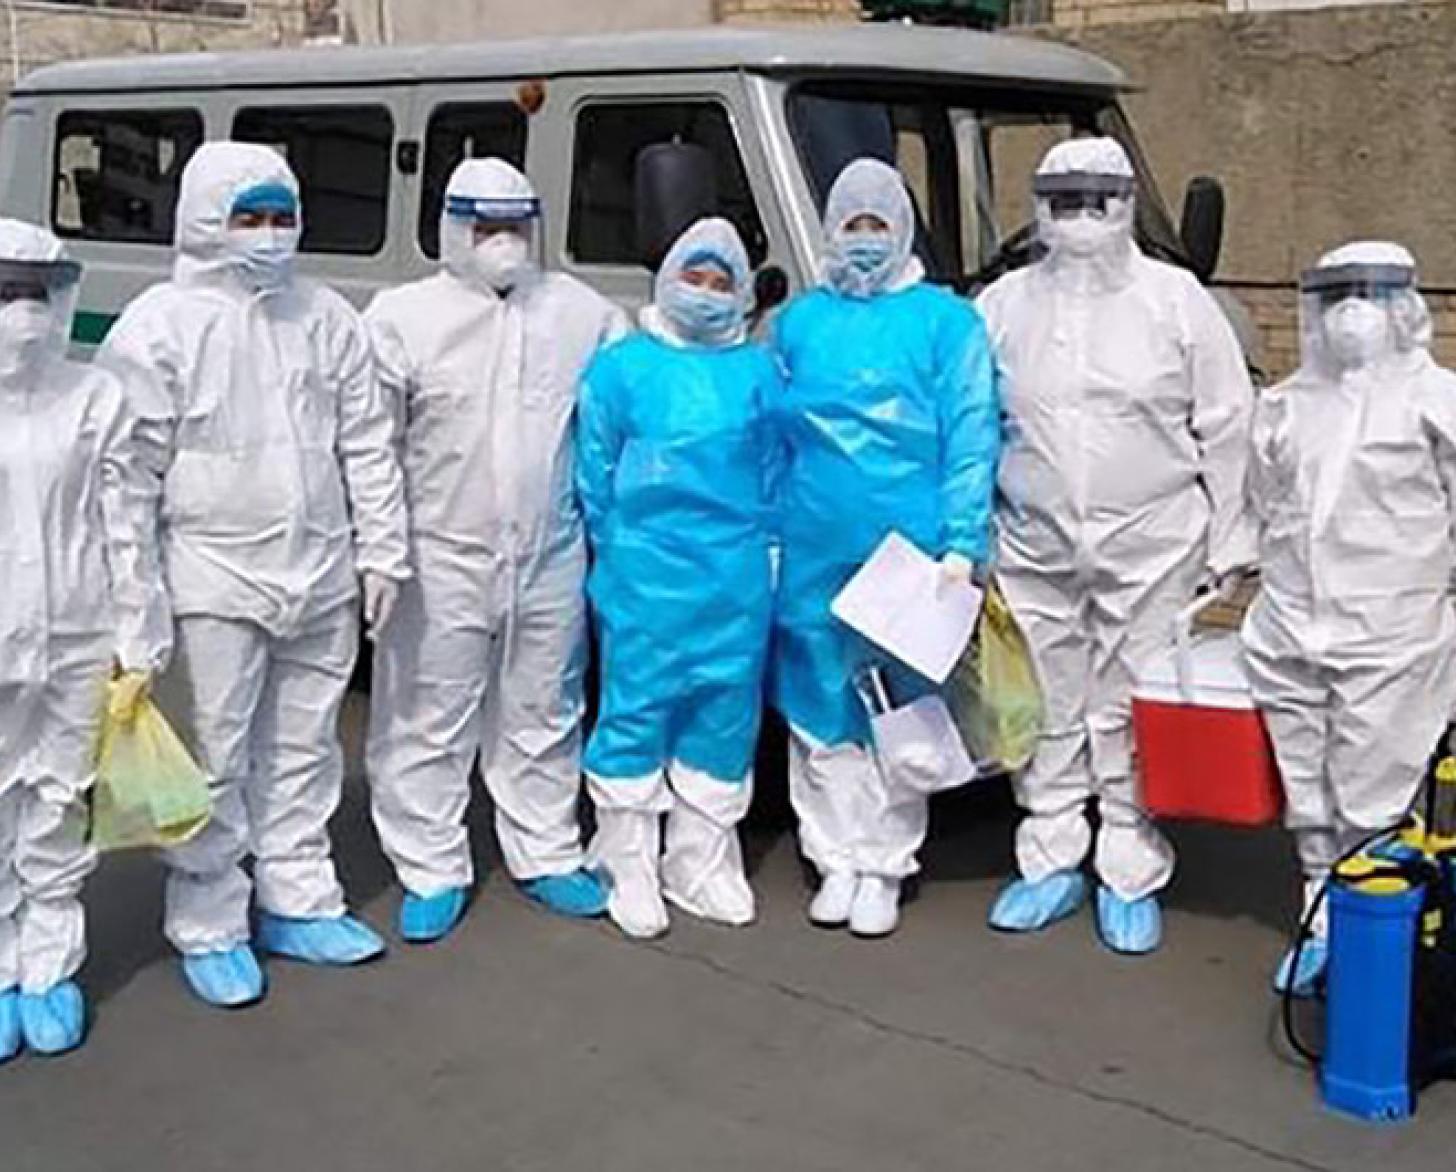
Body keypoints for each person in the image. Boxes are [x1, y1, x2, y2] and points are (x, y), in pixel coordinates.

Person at [98, 142, 411, 1009]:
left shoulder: (325, 317)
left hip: (320, 568)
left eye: (281, 216)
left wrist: (382, 548)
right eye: (249, 218)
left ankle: (298, 898)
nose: (270, 236)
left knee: (306, 748)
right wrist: (138, 601)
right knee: (219, 753)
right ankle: (209, 916)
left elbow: (366, 444)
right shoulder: (159, 325)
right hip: (211, 575)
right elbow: (126, 478)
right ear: (204, 218)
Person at [977, 137, 1254, 955]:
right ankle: (1052, 853)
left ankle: (1129, 858)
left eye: (1100, 200)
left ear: (1129, 203)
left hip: (1155, 542)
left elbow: (1228, 421)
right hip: (1032, 540)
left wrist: (1234, 534)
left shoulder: (1176, 302)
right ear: (1039, 207)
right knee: (1049, 700)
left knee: (1129, 700)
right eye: (1066, 201)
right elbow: (970, 423)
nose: (1083, 219)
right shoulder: (1003, 306)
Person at [364, 158, 628, 943]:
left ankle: (546, 849)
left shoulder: (583, 314)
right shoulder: (402, 318)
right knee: (427, 714)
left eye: (515, 228)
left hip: (550, 549)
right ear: (452, 229)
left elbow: (611, 432)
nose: (502, 244)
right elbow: (371, 443)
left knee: (543, 709)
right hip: (438, 552)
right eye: (485, 229)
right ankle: (430, 863)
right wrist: (380, 549)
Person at [772, 158, 1001, 939]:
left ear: (901, 228)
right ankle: (831, 851)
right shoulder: (801, 322)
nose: (863, 240)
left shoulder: (946, 322)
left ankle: (886, 862)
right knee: (817, 704)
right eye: (850, 226)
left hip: (911, 551)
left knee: (900, 710)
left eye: (877, 225)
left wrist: (962, 542)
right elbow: (773, 436)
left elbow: (973, 431)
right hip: (811, 545)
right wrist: (770, 530)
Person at [1243, 242, 1456, 995]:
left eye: (1369, 296)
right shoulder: (1288, 404)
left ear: (1406, 306)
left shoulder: (1438, 400)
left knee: (1377, 789)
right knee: (1308, 781)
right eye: (1335, 298)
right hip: (1290, 627)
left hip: (1394, 631)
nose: (1351, 316)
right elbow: (1263, 507)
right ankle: (1319, 910)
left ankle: (1373, 927)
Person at [577, 217, 779, 940]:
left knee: (724, 715)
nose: (705, 292)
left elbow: (775, 471)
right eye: (693, 276)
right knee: (637, 708)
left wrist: (770, 549)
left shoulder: (757, 372)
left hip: (734, 575)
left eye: (721, 281)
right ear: (666, 278)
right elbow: (593, 469)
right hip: (646, 573)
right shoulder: (623, 367)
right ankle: (625, 857)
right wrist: (616, 553)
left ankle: (701, 861)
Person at [0, 219, 170, 1060]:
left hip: (75, 632)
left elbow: (125, 524)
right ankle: (0, 969)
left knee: (62, 799)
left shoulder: (94, 396)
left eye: (35, 294)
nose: (22, 314)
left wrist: (139, 637)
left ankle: (49, 967)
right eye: (5, 293)